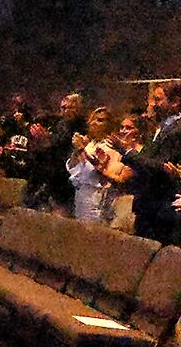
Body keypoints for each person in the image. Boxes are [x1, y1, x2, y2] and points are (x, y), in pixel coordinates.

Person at [124, 82, 181, 242]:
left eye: (157, 99)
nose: (152, 104)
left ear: (175, 101)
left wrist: (127, 152)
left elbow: (159, 167)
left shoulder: (177, 130)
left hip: (162, 207)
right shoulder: (161, 127)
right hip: (149, 206)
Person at [66, 106, 120, 224]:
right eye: (93, 120)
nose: (94, 123)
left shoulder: (112, 145)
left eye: (100, 120)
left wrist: (81, 149)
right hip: (81, 193)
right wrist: (77, 150)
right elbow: (71, 168)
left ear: (110, 125)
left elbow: (94, 170)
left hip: (97, 196)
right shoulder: (91, 144)